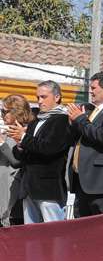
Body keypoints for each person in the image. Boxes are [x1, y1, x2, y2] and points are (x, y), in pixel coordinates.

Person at [12, 81, 73, 223]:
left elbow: (49, 148)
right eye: (38, 97)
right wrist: (20, 145)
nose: (39, 101)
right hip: (29, 186)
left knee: (54, 234)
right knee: (31, 235)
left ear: (57, 97)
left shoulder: (63, 120)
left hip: (48, 188)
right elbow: (24, 153)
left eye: (44, 97)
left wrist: (23, 138)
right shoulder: (35, 121)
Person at [67, 71, 103, 217]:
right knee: (84, 231)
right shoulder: (92, 112)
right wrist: (73, 123)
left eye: (94, 88)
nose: (90, 91)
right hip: (83, 182)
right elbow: (82, 136)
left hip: (102, 185)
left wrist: (80, 119)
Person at [0, 95, 31, 226]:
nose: (1, 115)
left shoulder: (22, 132)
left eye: (4, 111)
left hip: (12, 191)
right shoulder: (7, 130)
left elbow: (17, 162)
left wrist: (2, 143)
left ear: (15, 111)